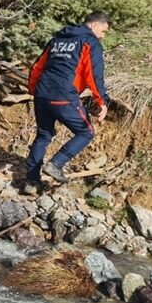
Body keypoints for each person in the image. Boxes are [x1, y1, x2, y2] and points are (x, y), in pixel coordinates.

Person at [23, 11, 112, 194]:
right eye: (103, 31)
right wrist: (102, 101)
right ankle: (56, 164)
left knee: (44, 135)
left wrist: (34, 90)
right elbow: (94, 76)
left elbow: (38, 66)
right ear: (94, 25)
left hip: (42, 94)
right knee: (86, 132)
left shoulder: (57, 39)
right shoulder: (90, 42)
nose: (103, 36)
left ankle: (31, 182)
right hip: (63, 96)